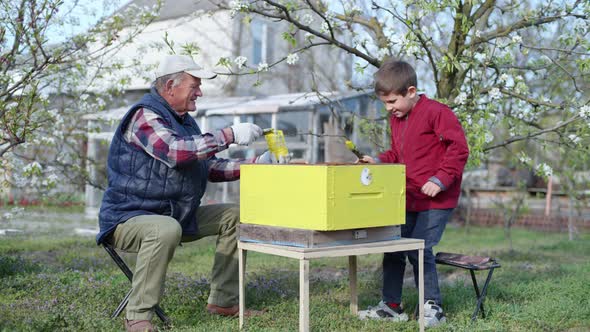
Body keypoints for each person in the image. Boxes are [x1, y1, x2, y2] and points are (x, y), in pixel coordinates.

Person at [96, 55, 275, 332]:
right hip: (128, 218)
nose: (200, 92)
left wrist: (254, 167)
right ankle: (138, 316)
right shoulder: (144, 116)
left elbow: (206, 166)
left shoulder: (185, 121)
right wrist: (228, 135)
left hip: (175, 215)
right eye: (195, 85)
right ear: (170, 85)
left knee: (236, 216)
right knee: (164, 229)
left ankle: (224, 301)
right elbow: (175, 152)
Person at [358, 59, 469, 327]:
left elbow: (459, 148)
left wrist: (440, 179)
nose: (389, 108)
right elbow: (399, 153)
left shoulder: (437, 112)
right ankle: (391, 306)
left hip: (436, 199)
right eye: (385, 103)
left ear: (410, 92)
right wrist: (379, 160)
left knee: (420, 249)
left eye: (393, 101)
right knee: (394, 247)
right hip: (408, 196)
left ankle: (432, 307)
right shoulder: (397, 117)